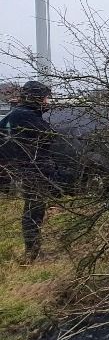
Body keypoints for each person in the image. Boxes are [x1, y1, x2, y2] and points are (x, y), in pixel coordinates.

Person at [0, 81, 56, 262]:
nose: (47, 102)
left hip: (28, 168)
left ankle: (33, 250)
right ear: (36, 98)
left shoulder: (20, 114)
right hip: (31, 169)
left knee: (35, 209)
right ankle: (32, 252)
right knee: (34, 210)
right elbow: (49, 133)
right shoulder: (24, 115)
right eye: (45, 98)